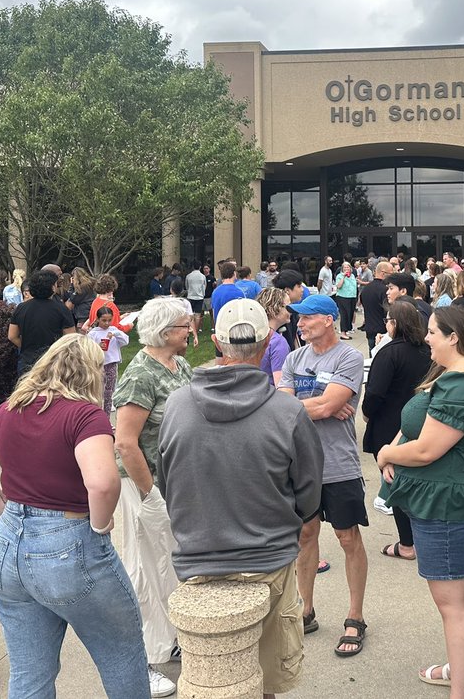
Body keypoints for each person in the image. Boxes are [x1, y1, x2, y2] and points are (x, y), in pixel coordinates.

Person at [0, 335, 148, 697]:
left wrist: (4, 508)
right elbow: (102, 484)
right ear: (92, 373)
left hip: (7, 549)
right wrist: (101, 524)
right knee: (122, 651)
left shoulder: (7, 411)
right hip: (69, 545)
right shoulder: (86, 416)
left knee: (29, 672)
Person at [158, 299, 323, 699]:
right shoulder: (288, 411)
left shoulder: (177, 405)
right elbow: (310, 493)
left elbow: (167, 482)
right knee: (266, 679)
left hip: (197, 558)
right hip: (268, 559)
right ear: (268, 342)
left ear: (215, 342)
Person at [376, 306, 464, 697]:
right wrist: (400, 445)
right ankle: (460, 669)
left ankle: (460, 688)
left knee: (453, 603)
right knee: (461, 594)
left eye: (433, 332)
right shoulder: (454, 374)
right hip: (444, 496)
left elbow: (427, 451)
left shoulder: (463, 382)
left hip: (447, 504)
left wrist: (387, 453)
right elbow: (420, 429)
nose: (427, 337)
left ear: (453, 337)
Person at [113, 297, 195, 697]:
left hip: (174, 484)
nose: (191, 329)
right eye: (184, 325)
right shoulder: (138, 376)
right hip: (140, 487)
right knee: (141, 568)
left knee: (169, 564)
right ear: (165, 333)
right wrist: (150, 495)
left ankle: (169, 639)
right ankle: (141, 658)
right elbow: (126, 443)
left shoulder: (179, 364)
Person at [278, 295, 369, 658]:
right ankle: (306, 610)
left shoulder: (348, 356)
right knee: (305, 534)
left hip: (338, 464)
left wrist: (321, 406)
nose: (299, 324)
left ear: (330, 319)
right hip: (299, 464)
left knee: (348, 538)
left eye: (307, 318)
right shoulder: (292, 358)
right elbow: (280, 408)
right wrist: (323, 406)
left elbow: (325, 405)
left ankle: (355, 616)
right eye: (298, 319)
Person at [363, 300, 430, 562]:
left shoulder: (389, 353)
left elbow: (375, 392)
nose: (386, 325)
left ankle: (407, 544)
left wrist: (367, 412)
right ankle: (425, 537)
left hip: (389, 423)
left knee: (397, 484)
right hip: (424, 422)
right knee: (422, 482)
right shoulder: (429, 350)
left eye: (388, 321)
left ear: (395, 323)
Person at [9, 269, 77, 375]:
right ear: (52, 287)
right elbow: (70, 338)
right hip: (52, 361)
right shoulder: (61, 309)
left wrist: (26, 346)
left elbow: (12, 336)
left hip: (27, 359)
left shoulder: (21, 308)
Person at [87, 306, 129, 417]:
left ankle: (106, 417)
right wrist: (97, 346)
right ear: (98, 319)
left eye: (109, 320)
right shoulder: (93, 333)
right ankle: (96, 415)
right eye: (103, 320)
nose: (107, 323)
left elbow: (125, 341)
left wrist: (116, 334)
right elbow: (87, 349)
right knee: (98, 391)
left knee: (109, 392)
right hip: (98, 365)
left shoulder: (113, 330)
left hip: (111, 364)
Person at [256, 287, 292, 386]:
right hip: (268, 396)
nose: (291, 311)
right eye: (288, 307)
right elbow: (281, 385)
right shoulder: (278, 342)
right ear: (274, 309)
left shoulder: (251, 335)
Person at [359, 261, 391, 348]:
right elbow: (387, 311)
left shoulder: (366, 289)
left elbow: (364, 305)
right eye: (391, 273)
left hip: (370, 329)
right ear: (383, 273)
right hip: (383, 332)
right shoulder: (386, 290)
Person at [333, 262, 358, 339]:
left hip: (352, 297)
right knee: (344, 315)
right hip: (343, 297)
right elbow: (339, 286)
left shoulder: (353, 276)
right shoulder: (339, 276)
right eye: (345, 267)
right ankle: (343, 332)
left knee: (350, 314)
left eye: (348, 267)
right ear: (342, 269)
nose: (347, 269)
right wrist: (343, 277)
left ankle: (347, 330)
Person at [184, 262, 206, 346]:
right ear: (200, 267)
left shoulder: (188, 276)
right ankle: (195, 331)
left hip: (191, 296)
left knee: (190, 315)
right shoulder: (202, 276)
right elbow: (204, 286)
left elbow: (187, 286)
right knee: (197, 315)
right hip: (199, 297)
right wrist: (202, 294)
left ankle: (190, 330)